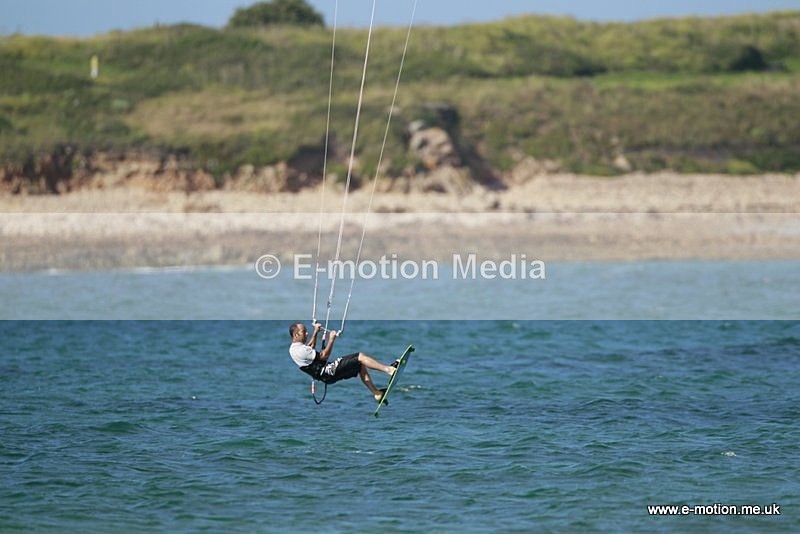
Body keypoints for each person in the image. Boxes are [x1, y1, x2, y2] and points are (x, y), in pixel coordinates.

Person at [288, 322, 397, 403]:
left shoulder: (295, 348)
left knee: (360, 366)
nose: (307, 333)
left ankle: (377, 393)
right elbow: (323, 356)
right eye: (304, 332)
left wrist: (316, 332)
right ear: (296, 335)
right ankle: (390, 370)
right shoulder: (300, 350)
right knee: (360, 356)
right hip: (328, 371)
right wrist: (331, 339)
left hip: (326, 376)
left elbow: (309, 348)